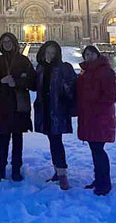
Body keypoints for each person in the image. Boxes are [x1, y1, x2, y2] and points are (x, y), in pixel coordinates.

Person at [0, 32, 36, 182]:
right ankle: (0, 169)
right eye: (4, 42)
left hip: (18, 106)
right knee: (3, 138)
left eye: (9, 41)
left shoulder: (23, 60)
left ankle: (16, 169)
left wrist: (17, 82)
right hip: (3, 105)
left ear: (14, 42)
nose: (7, 44)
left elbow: (32, 82)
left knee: (18, 139)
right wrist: (1, 81)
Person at [34, 40, 77, 190]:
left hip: (57, 111)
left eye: (53, 53)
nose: (50, 55)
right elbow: (34, 86)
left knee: (56, 141)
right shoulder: (40, 68)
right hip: (45, 110)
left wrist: (66, 90)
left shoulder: (64, 68)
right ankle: (57, 171)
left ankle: (62, 174)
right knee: (53, 141)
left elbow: (73, 86)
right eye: (48, 53)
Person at [77, 45, 116, 196]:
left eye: (91, 53)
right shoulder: (85, 72)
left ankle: (105, 183)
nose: (89, 56)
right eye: (86, 54)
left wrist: (94, 104)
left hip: (100, 116)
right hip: (89, 116)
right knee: (95, 150)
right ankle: (99, 179)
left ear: (97, 54)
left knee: (99, 150)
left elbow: (111, 96)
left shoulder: (106, 71)